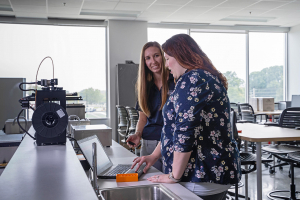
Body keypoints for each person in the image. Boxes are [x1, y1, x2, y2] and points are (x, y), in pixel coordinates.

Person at [131, 34, 241, 200]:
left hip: (200, 175)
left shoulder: (192, 80)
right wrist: (154, 156)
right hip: (207, 173)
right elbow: (175, 127)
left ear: (181, 56)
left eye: (167, 59)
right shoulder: (201, 77)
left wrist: (173, 175)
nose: (166, 65)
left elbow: (185, 132)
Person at [126, 41, 175, 172]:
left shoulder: (176, 80)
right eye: (148, 58)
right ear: (144, 62)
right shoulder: (144, 87)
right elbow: (142, 119)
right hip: (149, 143)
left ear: (164, 56)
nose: (153, 61)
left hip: (172, 142)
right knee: (151, 182)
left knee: (174, 186)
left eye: (156, 55)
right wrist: (137, 134)